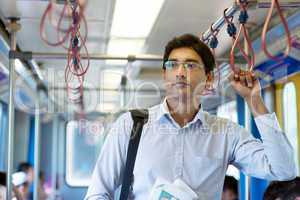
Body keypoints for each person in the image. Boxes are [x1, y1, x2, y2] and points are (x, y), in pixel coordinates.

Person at [85, 34, 296, 199]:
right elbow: (97, 193)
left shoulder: (225, 133)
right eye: (172, 65)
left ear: (209, 78)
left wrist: (255, 101)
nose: (180, 72)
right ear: (164, 75)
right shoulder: (132, 126)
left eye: (190, 65)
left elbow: (283, 170)